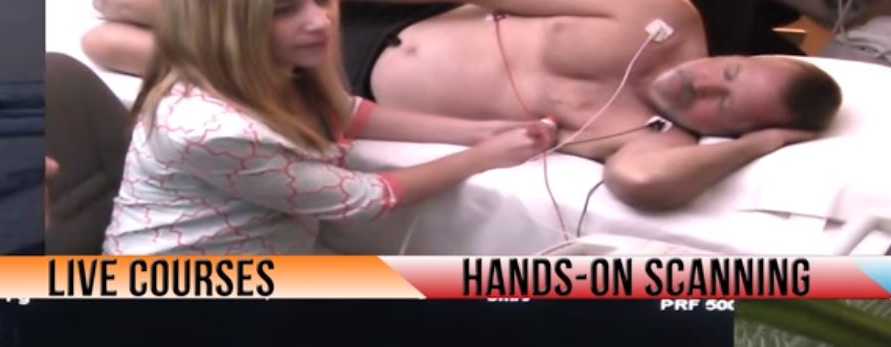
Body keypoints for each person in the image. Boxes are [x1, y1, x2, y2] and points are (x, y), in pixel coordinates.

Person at [85, 0, 842, 213]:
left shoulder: (653, 138)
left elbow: (640, 184)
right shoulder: (663, 15)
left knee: (105, 44)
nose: (700, 85)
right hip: (391, 17)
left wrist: (761, 143)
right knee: (116, 4)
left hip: (335, 81)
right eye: (728, 70)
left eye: (722, 106)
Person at [96, 0, 556, 254]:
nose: (320, 21)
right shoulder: (208, 130)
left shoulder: (286, 65)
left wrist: (476, 132)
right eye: (285, 10)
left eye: (321, 0)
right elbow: (365, 198)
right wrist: (483, 158)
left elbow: (345, 113)